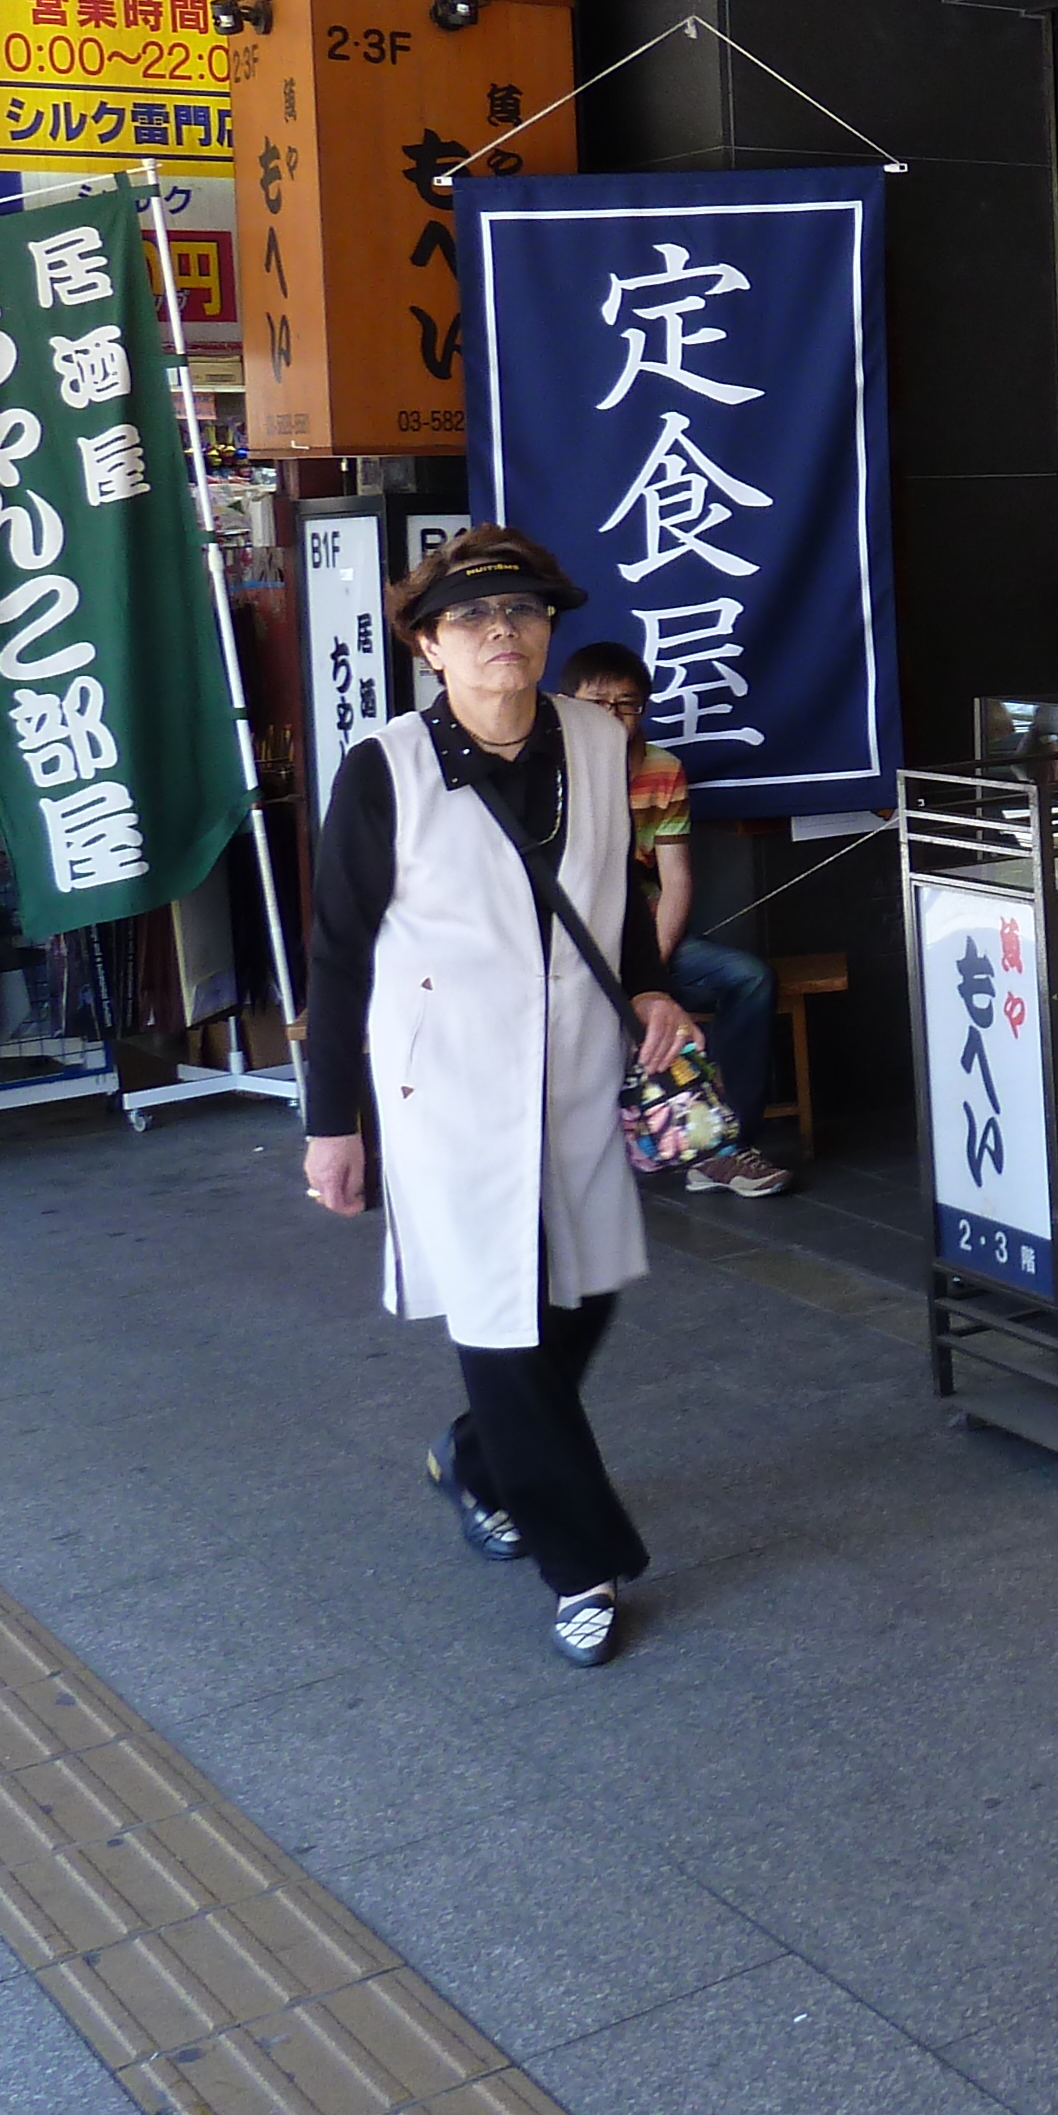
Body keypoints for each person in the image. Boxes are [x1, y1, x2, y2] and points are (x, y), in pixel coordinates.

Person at [301, 527, 698, 1670]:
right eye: (472, 620)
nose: (502, 634)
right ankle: (579, 1562)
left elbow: (615, 887)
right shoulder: (385, 768)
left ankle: (481, 1458)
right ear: (428, 645)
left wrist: (651, 986)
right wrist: (335, 1124)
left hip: (574, 1066)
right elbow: (336, 955)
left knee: (586, 1293)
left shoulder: (595, 740)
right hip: (447, 1085)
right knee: (501, 1315)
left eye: (522, 614)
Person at [558, 639, 789, 1198]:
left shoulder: (663, 770)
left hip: (644, 944)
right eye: (597, 703)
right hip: (564, 951)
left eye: (627, 704)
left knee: (749, 977)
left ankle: (721, 1150)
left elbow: (677, 879)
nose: (613, 716)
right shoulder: (549, 773)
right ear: (565, 705)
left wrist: (648, 980)